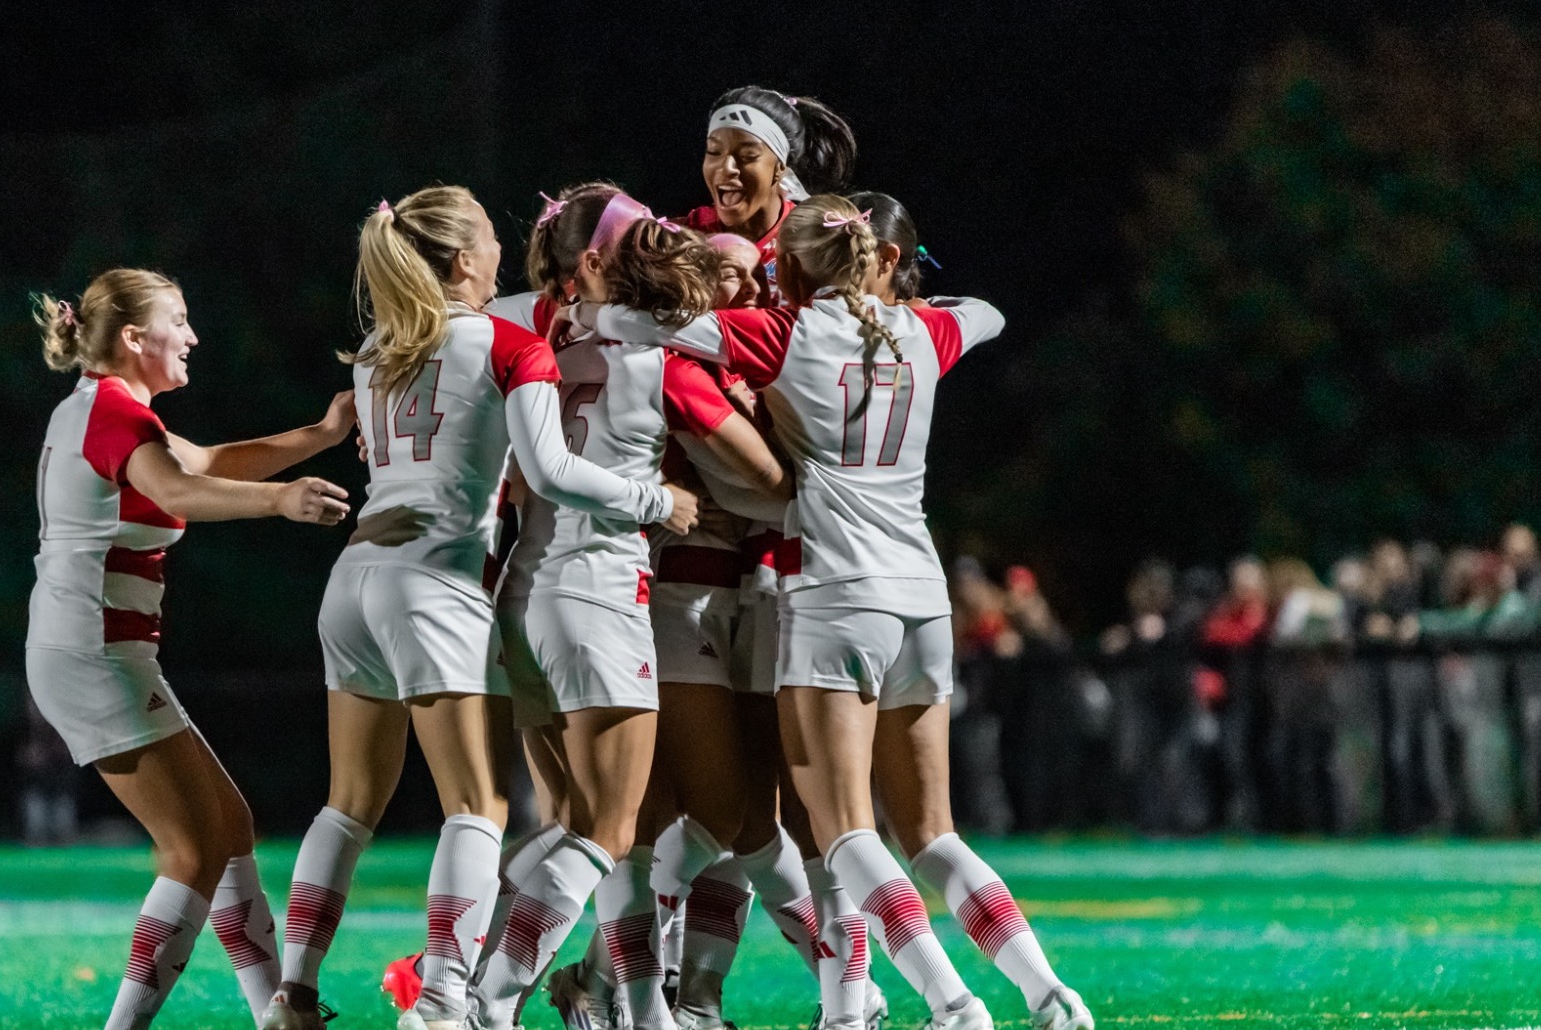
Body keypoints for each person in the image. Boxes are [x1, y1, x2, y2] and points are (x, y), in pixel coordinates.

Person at [580, 194, 1094, 1030]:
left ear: (785, 269)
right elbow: (989, 312)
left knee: (847, 832)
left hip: (834, 596)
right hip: (922, 600)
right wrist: (899, 304)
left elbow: (644, 334)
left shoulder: (784, 335)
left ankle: (954, 1001)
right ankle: (1050, 994)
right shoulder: (924, 334)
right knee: (934, 833)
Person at [274, 186, 698, 1030]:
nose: (506, 247)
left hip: (352, 576)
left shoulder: (375, 348)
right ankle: (441, 1001)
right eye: (486, 234)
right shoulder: (506, 343)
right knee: (477, 805)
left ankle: (292, 993)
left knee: (347, 802)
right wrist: (655, 501)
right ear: (465, 259)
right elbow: (550, 473)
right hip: (435, 581)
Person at [25, 268, 356, 1030]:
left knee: (228, 827)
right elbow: (180, 494)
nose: (194, 336)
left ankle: (281, 1014)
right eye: (180, 319)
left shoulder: (108, 413)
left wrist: (322, 435)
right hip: (94, 654)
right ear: (135, 339)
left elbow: (203, 464)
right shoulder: (114, 414)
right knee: (191, 848)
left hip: (100, 652)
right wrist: (282, 499)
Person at [499, 194, 794, 1030]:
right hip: (611, 590)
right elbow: (772, 482)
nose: (664, 243)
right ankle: (476, 994)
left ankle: (622, 1004)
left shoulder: (525, 333)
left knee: (589, 826)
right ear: (591, 262)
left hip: (522, 586)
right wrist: (662, 496)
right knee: (620, 829)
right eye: (643, 237)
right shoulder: (662, 353)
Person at [686, 87, 857, 305]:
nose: (726, 167)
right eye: (714, 152)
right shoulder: (690, 236)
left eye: (748, 156)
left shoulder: (814, 241)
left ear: (780, 167)